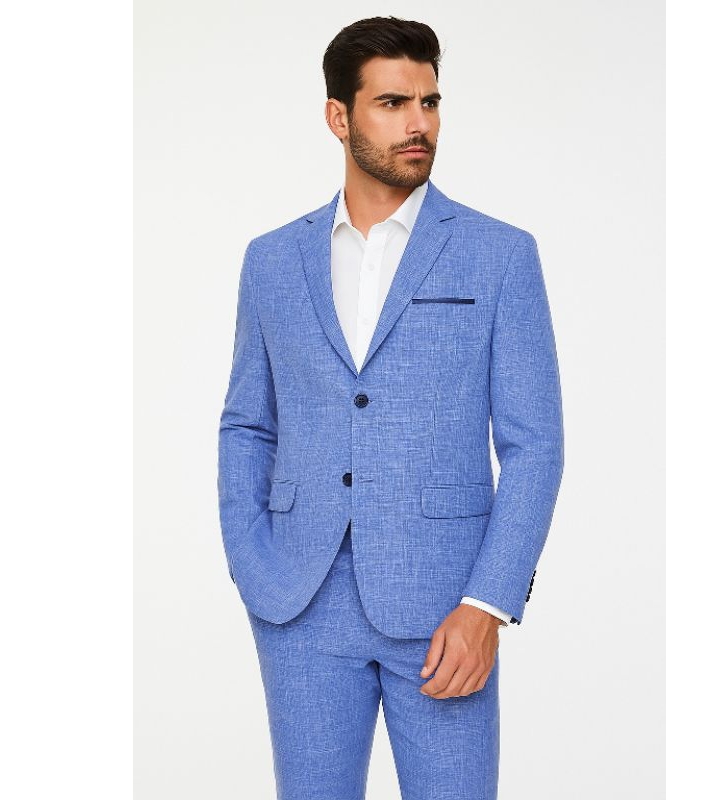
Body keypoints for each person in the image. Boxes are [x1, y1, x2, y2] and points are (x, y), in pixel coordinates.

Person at [217, 15, 564, 800]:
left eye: (430, 102)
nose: (419, 124)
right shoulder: (272, 261)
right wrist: (252, 560)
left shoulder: (500, 254)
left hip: (445, 606)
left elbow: (535, 442)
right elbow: (248, 422)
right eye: (393, 103)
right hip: (299, 604)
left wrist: (487, 604)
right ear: (338, 117)